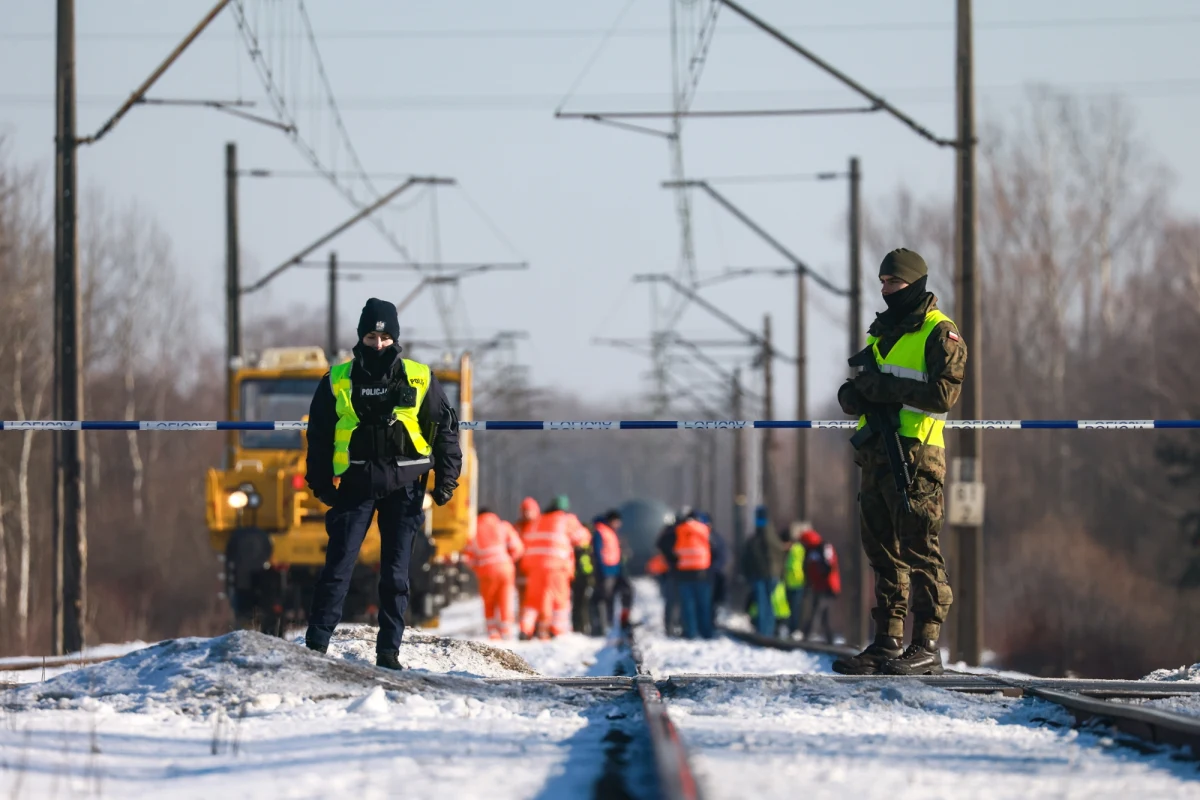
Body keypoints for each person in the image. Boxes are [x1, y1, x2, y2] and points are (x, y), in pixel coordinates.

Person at [303, 297, 462, 670]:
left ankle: (388, 652)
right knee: (337, 567)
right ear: (361, 336)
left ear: (395, 338)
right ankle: (315, 647)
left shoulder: (419, 377)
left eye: (385, 337)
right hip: (356, 482)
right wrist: (321, 483)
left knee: (396, 573)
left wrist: (446, 481)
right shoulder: (337, 379)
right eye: (372, 337)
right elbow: (320, 436)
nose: (378, 344)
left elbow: (445, 432)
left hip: (405, 486)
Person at [833, 248, 966, 676]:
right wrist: (855, 395)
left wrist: (885, 389)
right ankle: (888, 640)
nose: (886, 290)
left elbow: (944, 395)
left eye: (894, 283)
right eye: (883, 283)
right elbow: (867, 384)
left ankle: (926, 642)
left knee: (919, 547)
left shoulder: (939, 332)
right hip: (877, 453)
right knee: (881, 548)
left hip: (918, 455)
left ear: (915, 284)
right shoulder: (881, 332)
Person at [519, 495, 583, 639]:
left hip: (534, 567)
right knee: (559, 600)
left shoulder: (537, 521)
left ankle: (525, 628)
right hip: (557, 567)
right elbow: (582, 538)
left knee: (533, 600)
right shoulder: (566, 520)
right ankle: (557, 630)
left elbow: (526, 540)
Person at [463, 508, 524, 640]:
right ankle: (506, 631)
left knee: (489, 601)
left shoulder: (473, 530)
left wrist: (478, 568)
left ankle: (492, 632)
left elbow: (468, 558)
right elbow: (518, 548)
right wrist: (509, 559)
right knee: (506, 598)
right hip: (505, 568)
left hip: (486, 570)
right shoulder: (503, 526)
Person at [660, 509, 714, 640]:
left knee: (687, 604)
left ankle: (691, 632)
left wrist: (673, 560)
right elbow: (715, 547)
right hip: (702, 572)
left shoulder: (678, 529)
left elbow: (662, 543)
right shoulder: (704, 529)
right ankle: (706, 632)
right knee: (704, 604)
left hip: (683, 572)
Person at [740, 505, 784, 637]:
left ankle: (764, 631)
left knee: (762, 603)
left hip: (760, 575)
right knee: (769, 603)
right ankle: (768, 631)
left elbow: (748, 558)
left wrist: (748, 574)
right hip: (772, 575)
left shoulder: (756, 540)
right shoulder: (774, 538)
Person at [800, 529, 841, 643]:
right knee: (824, 614)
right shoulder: (809, 551)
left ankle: (807, 634)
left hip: (827, 586)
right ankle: (830, 638)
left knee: (817, 609)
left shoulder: (823, 547)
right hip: (817, 586)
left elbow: (829, 565)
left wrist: (822, 575)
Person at [590, 510, 623, 634]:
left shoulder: (609, 532)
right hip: (605, 570)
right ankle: (601, 626)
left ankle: (607, 624)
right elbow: (598, 552)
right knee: (602, 598)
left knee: (608, 598)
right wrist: (602, 569)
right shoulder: (601, 531)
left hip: (612, 570)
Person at [513, 497, 541, 617]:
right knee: (523, 597)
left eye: (529, 510)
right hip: (521, 568)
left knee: (537, 598)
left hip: (536, 569)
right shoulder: (517, 527)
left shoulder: (540, 525)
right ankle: (524, 621)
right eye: (524, 510)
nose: (526, 513)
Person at [783, 526, 808, 639]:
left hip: (797, 583)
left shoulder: (797, 549)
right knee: (790, 608)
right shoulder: (796, 549)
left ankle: (795, 629)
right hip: (790, 583)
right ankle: (791, 629)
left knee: (795, 608)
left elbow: (794, 566)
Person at [706, 516, 730, 630]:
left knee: (712, 602)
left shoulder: (715, 538)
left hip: (712, 576)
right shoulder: (711, 537)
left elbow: (722, 556)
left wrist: (713, 569)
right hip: (704, 575)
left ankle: (711, 624)